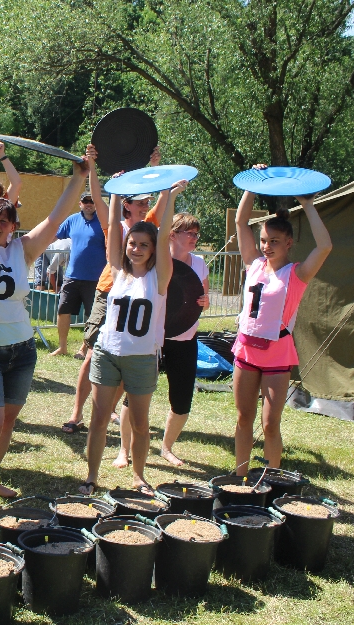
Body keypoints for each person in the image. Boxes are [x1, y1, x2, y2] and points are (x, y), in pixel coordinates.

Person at [0, 129, 87, 519]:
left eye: (2, 220)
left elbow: (57, 215)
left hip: (20, 350)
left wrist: (80, 176)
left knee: (7, 420)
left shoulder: (24, 250)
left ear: (13, 224)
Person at [80, 181, 185, 495]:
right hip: (107, 354)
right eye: (132, 244)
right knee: (99, 419)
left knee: (140, 423)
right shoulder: (118, 270)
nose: (135, 249)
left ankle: (139, 476)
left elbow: (164, 233)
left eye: (143, 245)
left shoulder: (159, 278)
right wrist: (114, 193)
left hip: (141, 359)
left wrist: (170, 195)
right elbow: (113, 228)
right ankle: (91, 476)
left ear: (154, 250)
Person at [232, 174, 332, 475]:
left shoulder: (296, 274)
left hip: (277, 353)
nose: (266, 246)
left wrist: (308, 205)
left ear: (289, 243)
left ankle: (273, 479)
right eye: (263, 240)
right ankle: (240, 475)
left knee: (269, 424)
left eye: (274, 241)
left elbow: (325, 246)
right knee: (243, 417)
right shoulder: (253, 264)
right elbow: (240, 222)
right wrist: (252, 183)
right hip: (246, 351)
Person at [61, 146, 162, 436]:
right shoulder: (115, 226)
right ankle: (77, 413)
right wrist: (92, 166)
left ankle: (107, 410)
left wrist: (156, 166)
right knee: (95, 353)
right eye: (141, 201)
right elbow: (100, 198)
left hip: (137, 297)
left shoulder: (149, 225)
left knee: (125, 356)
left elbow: (164, 202)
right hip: (108, 292)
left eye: (147, 201)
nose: (146, 205)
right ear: (127, 204)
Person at [158, 213, 209, 466]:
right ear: (173, 234)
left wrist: (205, 302)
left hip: (186, 338)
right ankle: (126, 449)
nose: (194, 238)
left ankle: (166, 448)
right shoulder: (156, 260)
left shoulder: (199, 264)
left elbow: (203, 299)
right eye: (190, 233)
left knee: (181, 399)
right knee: (134, 393)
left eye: (196, 234)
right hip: (155, 338)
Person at [50, 148, 106, 357]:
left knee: (93, 316)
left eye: (92, 201)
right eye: (86, 201)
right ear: (80, 203)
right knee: (63, 311)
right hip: (72, 276)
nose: (89, 204)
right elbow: (53, 235)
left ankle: (85, 348)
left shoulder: (103, 221)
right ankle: (62, 347)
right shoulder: (72, 220)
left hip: (96, 278)